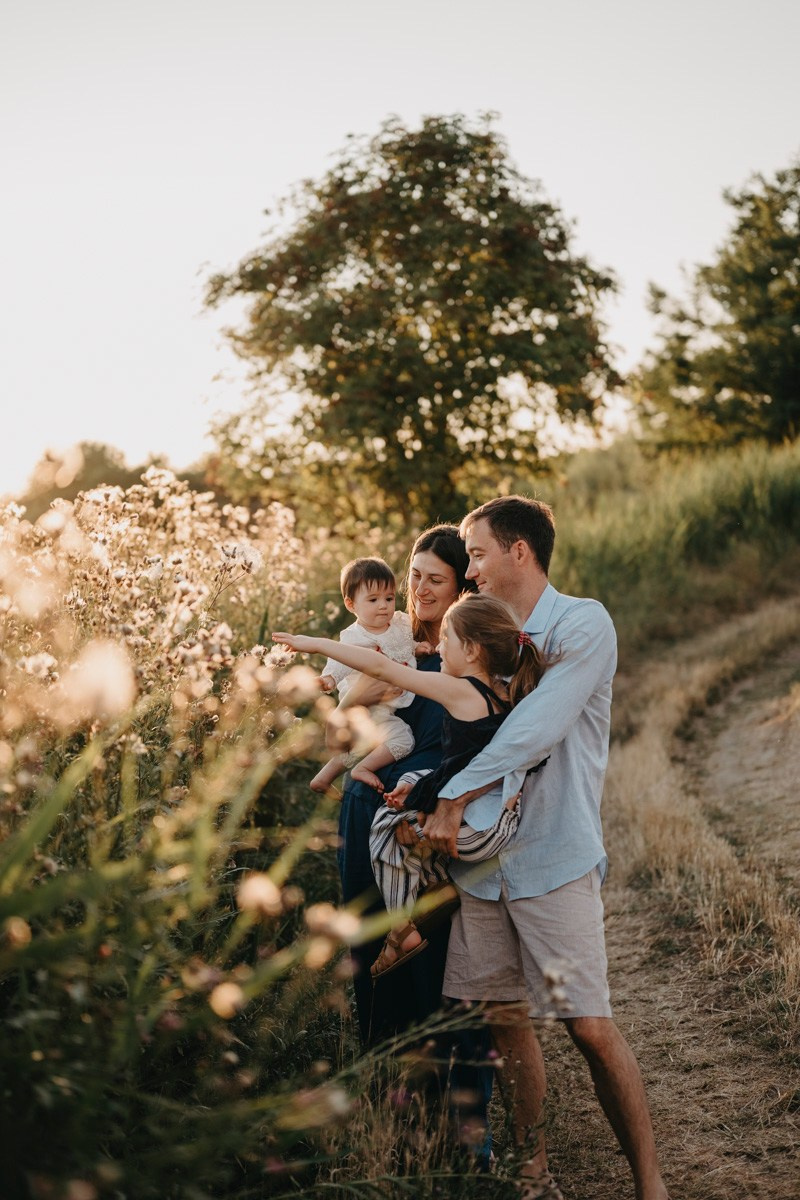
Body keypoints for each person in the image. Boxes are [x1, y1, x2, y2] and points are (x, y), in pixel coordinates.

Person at [420, 496, 670, 1200]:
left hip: (554, 858)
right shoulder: (475, 634)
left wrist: (453, 794)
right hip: (484, 866)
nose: (468, 571)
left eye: (476, 553)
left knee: (588, 1025)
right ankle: (535, 1175)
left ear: (519, 552)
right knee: (506, 1019)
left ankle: (651, 1184)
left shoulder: (582, 623)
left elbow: (539, 726)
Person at [273, 592, 547, 979]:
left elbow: (382, 669)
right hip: (498, 818)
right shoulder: (504, 691)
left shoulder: (461, 690)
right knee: (409, 784)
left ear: (471, 651)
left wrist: (314, 644)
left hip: (477, 830)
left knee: (383, 827)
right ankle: (431, 876)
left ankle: (401, 931)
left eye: (447, 639)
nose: (440, 646)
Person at [310, 556, 418, 794]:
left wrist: (419, 647)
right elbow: (340, 660)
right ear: (351, 605)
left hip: (384, 704)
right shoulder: (353, 637)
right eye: (373, 599)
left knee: (363, 743)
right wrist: (329, 679)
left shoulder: (399, 624)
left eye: (389, 598)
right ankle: (363, 769)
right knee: (403, 739)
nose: (384, 605)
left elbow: (404, 645)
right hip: (367, 704)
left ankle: (323, 778)